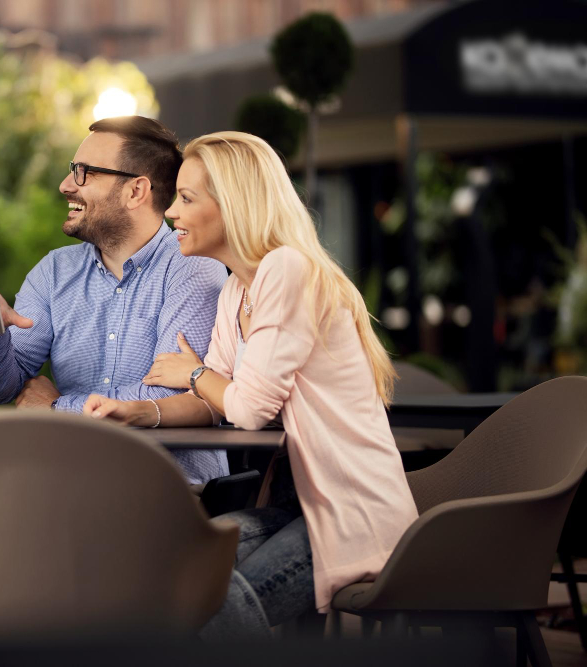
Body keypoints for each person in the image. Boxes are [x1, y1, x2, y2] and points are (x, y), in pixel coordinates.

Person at [84, 131, 419, 636]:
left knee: (214, 613)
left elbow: (248, 407)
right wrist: (138, 412)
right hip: (299, 506)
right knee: (171, 567)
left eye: (187, 198)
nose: (171, 211)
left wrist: (195, 374)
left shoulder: (287, 269)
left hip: (350, 516)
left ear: (233, 205)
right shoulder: (237, 288)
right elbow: (215, 403)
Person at [0, 116, 229, 484]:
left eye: (84, 173)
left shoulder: (193, 267)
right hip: (70, 486)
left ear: (136, 191)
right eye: (73, 170)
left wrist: (57, 407)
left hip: (168, 491)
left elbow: (168, 396)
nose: (66, 185)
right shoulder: (54, 271)